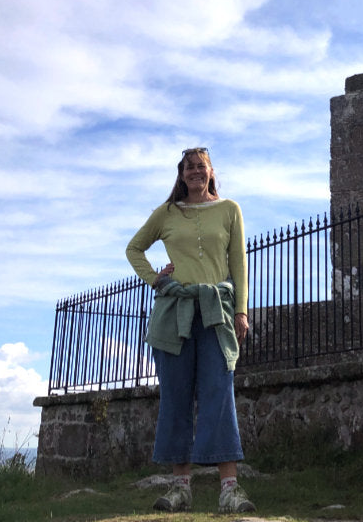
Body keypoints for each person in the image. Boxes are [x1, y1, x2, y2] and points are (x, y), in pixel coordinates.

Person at [126, 146, 255, 514]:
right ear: (181, 175)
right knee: (176, 396)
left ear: (211, 172)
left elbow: (238, 264)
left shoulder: (230, 210)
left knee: (220, 393)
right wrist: (156, 280)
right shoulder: (167, 213)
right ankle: (180, 488)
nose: (196, 171)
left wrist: (241, 312)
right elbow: (134, 249)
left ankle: (230, 488)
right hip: (174, 313)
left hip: (217, 312)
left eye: (202, 166)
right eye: (189, 167)